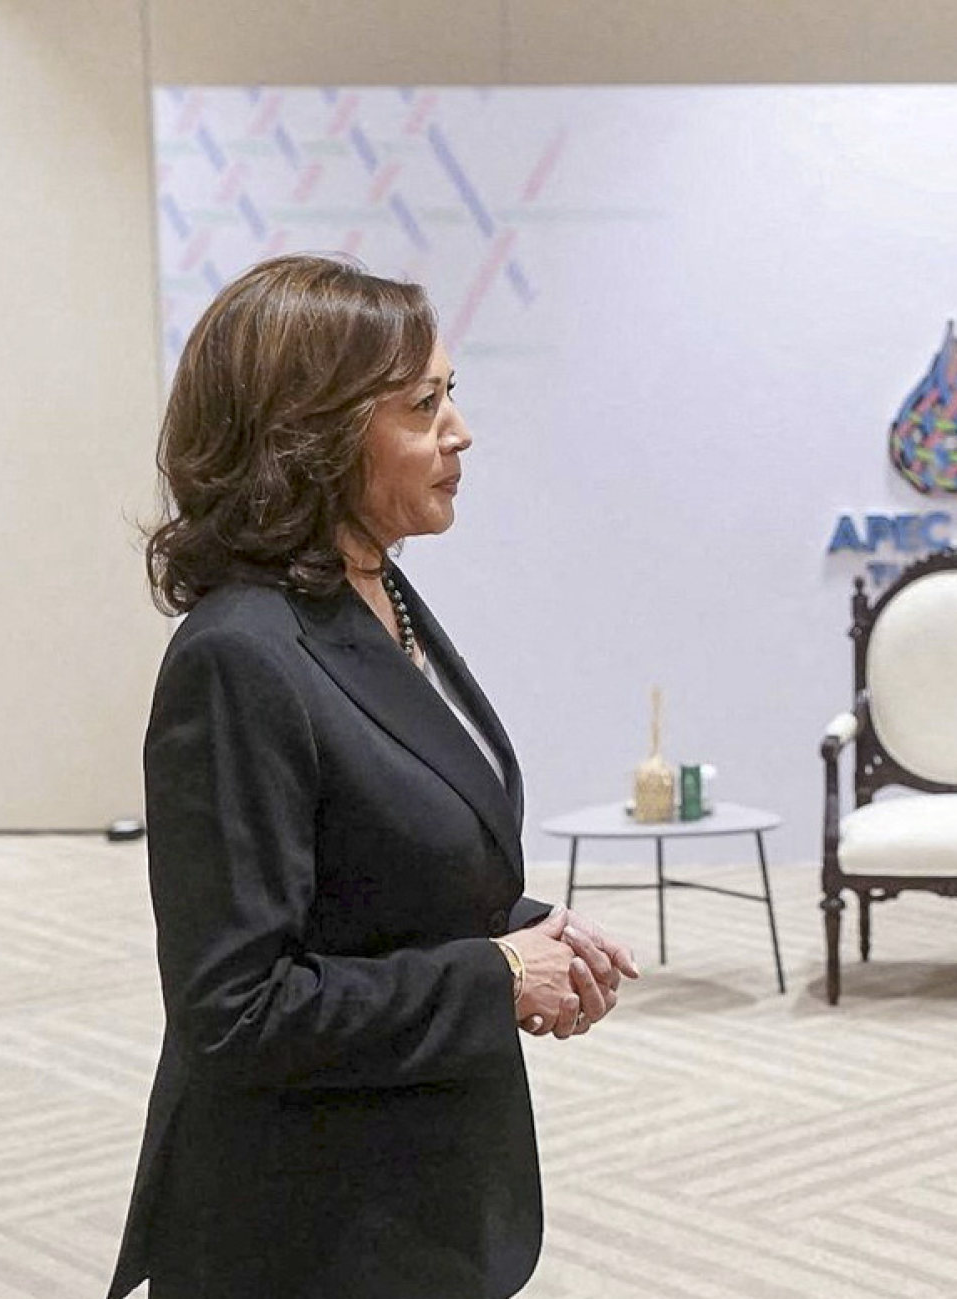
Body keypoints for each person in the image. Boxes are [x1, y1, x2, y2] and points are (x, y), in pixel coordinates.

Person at [107, 254, 640, 1299]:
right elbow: (235, 1011)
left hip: (412, 1193)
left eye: (454, 397)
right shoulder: (240, 658)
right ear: (312, 435)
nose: (460, 431)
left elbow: (364, 864)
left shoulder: (373, 592)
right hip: (306, 1232)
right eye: (423, 405)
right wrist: (493, 975)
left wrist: (525, 925)